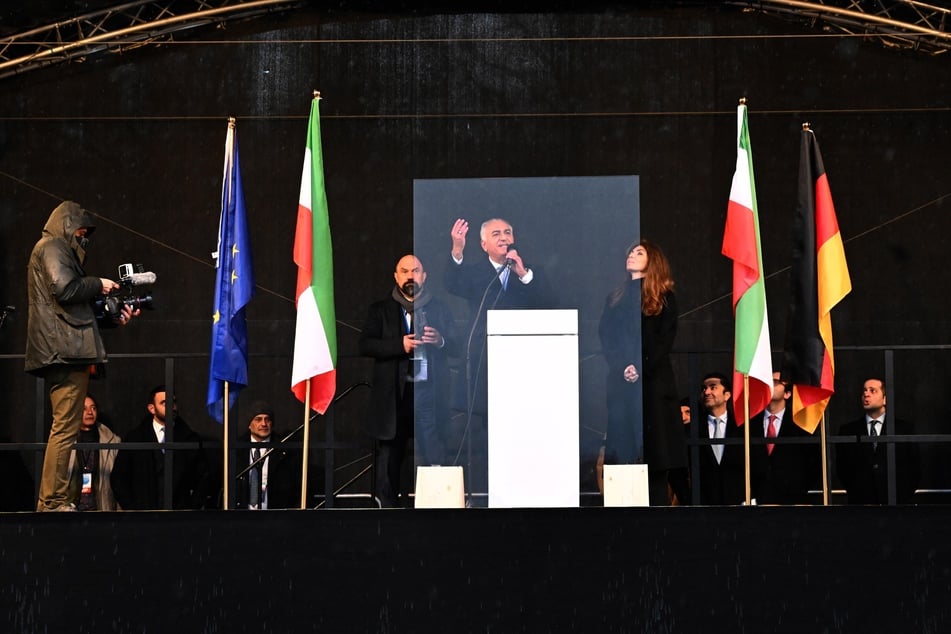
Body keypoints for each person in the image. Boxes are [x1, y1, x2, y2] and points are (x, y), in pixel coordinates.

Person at [25, 200, 137, 512]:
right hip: (64, 351)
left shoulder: (52, 248)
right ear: (67, 225)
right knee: (64, 428)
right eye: (81, 232)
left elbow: (71, 309)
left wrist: (113, 318)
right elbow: (65, 289)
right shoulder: (52, 246)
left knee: (65, 427)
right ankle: (53, 500)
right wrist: (99, 284)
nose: (83, 239)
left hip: (64, 348)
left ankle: (57, 497)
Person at [446, 218, 553, 497]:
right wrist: (457, 249)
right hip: (485, 363)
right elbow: (452, 283)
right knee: (487, 431)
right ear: (484, 244)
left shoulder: (528, 271)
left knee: (521, 431)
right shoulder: (474, 273)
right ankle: (488, 493)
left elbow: (547, 301)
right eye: (496, 234)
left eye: (507, 232)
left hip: (521, 366)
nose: (503, 237)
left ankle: (521, 490)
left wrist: (523, 274)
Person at [360, 255, 457, 508]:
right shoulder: (380, 309)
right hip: (394, 394)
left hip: (429, 391)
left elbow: (458, 346)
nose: (410, 276)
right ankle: (388, 510)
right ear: (396, 277)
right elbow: (365, 345)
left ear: (424, 276)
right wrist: (399, 345)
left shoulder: (439, 308)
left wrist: (441, 341)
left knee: (434, 451)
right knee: (390, 455)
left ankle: (439, 508)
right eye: (404, 271)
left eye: (415, 271)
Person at [598, 239, 687, 506]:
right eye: (630, 252)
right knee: (623, 450)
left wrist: (640, 366)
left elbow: (663, 340)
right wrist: (623, 366)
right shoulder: (614, 298)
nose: (631, 255)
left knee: (656, 452)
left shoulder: (664, 298)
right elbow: (606, 337)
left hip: (653, 383)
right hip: (622, 384)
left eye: (639, 252)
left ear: (653, 260)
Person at [111, 385, 210, 509]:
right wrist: (133, 509)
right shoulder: (135, 438)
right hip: (144, 514)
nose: (171, 406)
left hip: (179, 514)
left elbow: (203, 477)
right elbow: (119, 477)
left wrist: (190, 508)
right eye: (164, 403)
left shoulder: (190, 439)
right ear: (152, 408)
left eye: (173, 402)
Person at [835, 378, 919, 505]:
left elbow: (914, 467)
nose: (866, 394)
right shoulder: (847, 430)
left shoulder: (904, 429)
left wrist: (901, 495)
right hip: (860, 504)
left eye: (872, 391)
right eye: (864, 390)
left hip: (896, 503)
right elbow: (842, 468)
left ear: (885, 399)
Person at [748, 373, 819, 505]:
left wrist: (798, 489)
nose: (770, 385)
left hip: (793, 501)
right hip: (759, 501)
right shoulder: (749, 425)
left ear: (787, 394)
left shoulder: (801, 425)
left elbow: (813, 464)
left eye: (776, 382)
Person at [234, 401, 302, 510]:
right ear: (249, 424)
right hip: (241, 515)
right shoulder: (237, 449)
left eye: (267, 419)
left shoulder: (284, 450)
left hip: (275, 515)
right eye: (258, 419)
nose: (264, 424)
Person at [691, 372, 745, 505]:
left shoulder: (742, 427)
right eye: (704, 388)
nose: (707, 392)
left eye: (713, 387)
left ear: (727, 395)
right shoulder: (693, 429)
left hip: (738, 504)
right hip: (704, 505)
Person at [66, 394, 121, 511]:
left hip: (101, 510)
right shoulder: (64, 441)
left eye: (93, 408)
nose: (90, 412)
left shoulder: (112, 441)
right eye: (84, 409)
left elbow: (120, 481)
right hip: (70, 511)